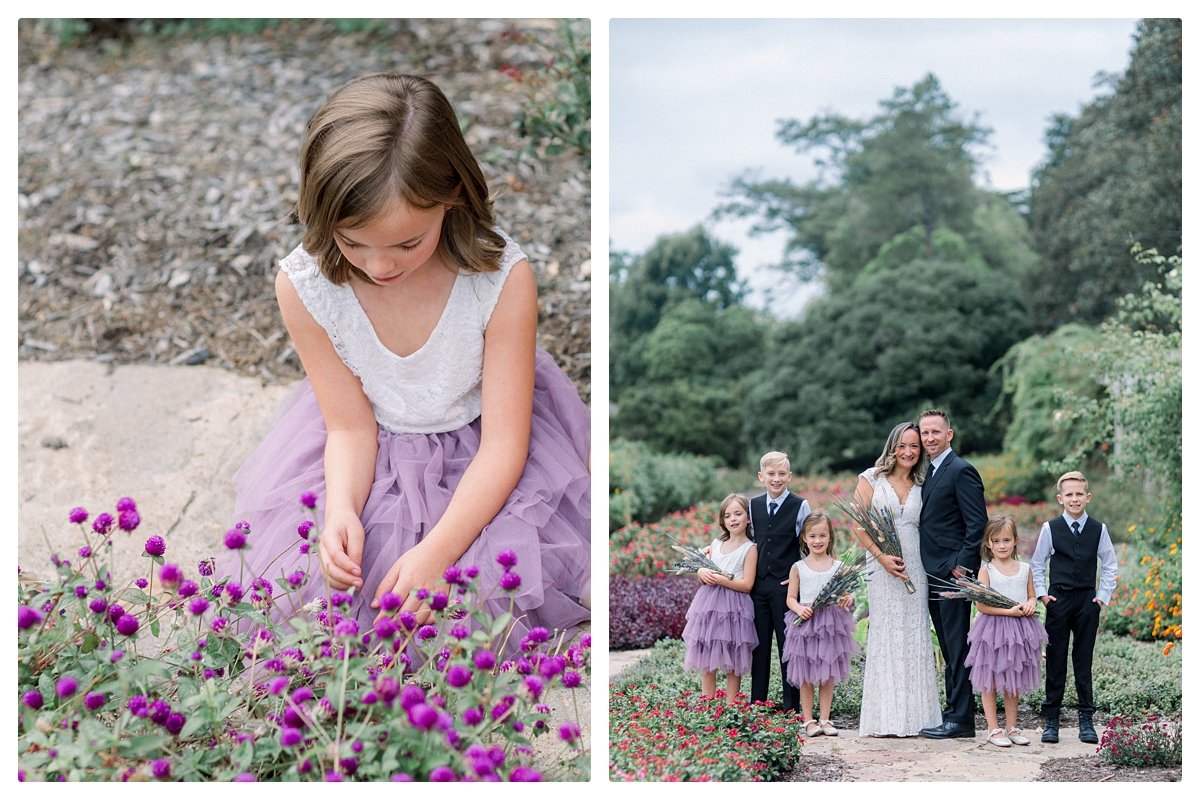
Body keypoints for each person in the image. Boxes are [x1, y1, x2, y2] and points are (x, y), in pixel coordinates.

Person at [221, 74, 590, 650]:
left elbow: (503, 446)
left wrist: (437, 554)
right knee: (338, 582)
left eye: (406, 244)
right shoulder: (305, 286)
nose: (379, 266)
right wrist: (340, 508)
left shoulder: (500, 280)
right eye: (352, 242)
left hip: (487, 450)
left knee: (472, 601)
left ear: (453, 196)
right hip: (368, 444)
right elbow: (347, 424)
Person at [853, 422, 941, 737]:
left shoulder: (924, 482)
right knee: (886, 634)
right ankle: (884, 718)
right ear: (892, 447)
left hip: (915, 565)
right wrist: (882, 558)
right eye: (902, 445)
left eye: (914, 446)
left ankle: (920, 717)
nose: (908, 452)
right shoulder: (871, 479)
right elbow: (859, 526)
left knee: (915, 633)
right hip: (882, 566)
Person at [1031, 471, 1118, 744]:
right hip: (1058, 601)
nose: (1074, 498)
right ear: (1060, 499)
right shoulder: (1050, 528)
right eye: (1069, 494)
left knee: (1083, 661)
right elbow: (1037, 564)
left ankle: (1086, 720)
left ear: (1088, 497)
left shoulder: (1098, 529)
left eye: (1079, 493)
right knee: (1056, 661)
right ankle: (1052, 720)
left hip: (1086, 603)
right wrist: (1044, 596)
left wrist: (1101, 597)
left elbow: (1110, 564)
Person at [915, 409, 987, 740]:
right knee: (947, 644)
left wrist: (963, 566)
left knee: (957, 646)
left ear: (949, 434)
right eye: (924, 433)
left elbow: (977, 523)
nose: (929, 438)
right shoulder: (930, 471)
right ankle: (953, 711)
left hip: (952, 573)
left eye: (935, 432)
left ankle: (961, 720)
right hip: (934, 571)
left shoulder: (961, 470)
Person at [964, 516, 1048, 748]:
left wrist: (1031, 603)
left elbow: (1031, 594)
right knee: (989, 679)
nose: (1002, 545)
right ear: (988, 543)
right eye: (996, 540)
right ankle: (993, 729)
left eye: (1006, 540)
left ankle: (1012, 727)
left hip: (1021, 630)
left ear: (1015, 541)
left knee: (1014, 678)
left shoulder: (1024, 569)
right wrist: (1010, 612)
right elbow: (980, 605)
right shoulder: (986, 570)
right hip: (992, 629)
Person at [782, 512, 858, 737]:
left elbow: (846, 595)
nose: (817, 541)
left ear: (830, 537)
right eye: (813, 536)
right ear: (804, 538)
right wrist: (798, 609)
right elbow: (790, 598)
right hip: (805, 624)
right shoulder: (798, 567)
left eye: (822, 535)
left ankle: (825, 719)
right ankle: (808, 720)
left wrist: (848, 599)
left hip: (830, 624)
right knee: (805, 674)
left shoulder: (838, 566)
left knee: (827, 673)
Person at [748, 451, 811, 712]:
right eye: (771, 474)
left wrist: (803, 579)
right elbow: (746, 541)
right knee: (759, 646)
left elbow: (809, 545)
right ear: (761, 476)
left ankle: (791, 707)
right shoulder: (752, 506)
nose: (777, 479)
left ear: (790, 476)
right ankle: (758, 704)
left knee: (789, 646)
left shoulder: (800, 505)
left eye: (782, 474)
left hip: (787, 588)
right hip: (758, 586)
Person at [681, 494, 759, 702]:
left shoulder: (750, 548)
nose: (733, 519)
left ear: (748, 518)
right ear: (722, 521)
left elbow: (747, 584)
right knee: (708, 654)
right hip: (709, 606)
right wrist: (700, 572)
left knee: (733, 658)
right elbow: (705, 572)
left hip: (735, 608)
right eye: (727, 515)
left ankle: (731, 704)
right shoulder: (715, 545)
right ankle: (708, 703)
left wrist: (720, 579)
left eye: (738, 514)